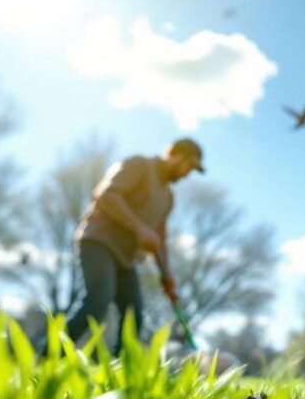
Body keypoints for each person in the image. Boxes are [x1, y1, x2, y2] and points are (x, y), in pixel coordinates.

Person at [62, 138, 205, 353]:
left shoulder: (167, 197)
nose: (188, 174)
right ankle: (46, 356)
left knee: (133, 314)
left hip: (126, 257)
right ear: (174, 155)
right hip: (99, 240)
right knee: (98, 301)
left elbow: (159, 238)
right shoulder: (139, 165)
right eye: (189, 167)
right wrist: (140, 228)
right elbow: (105, 194)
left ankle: (120, 372)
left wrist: (167, 275)